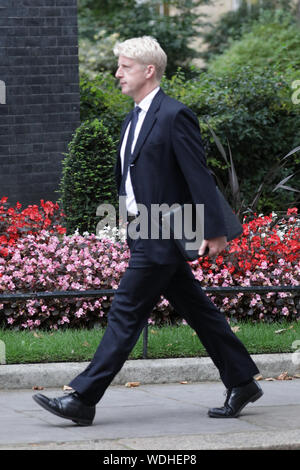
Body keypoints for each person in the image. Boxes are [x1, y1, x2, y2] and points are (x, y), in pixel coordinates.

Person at [33, 36, 263, 426]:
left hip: (164, 230)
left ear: (148, 70)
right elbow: (133, 179)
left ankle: (83, 398)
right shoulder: (132, 117)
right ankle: (242, 380)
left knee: (125, 310)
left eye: (125, 66)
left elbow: (198, 175)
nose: (117, 73)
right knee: (198, 310)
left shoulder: (174, 115)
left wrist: (214, 229)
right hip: (144, 228)